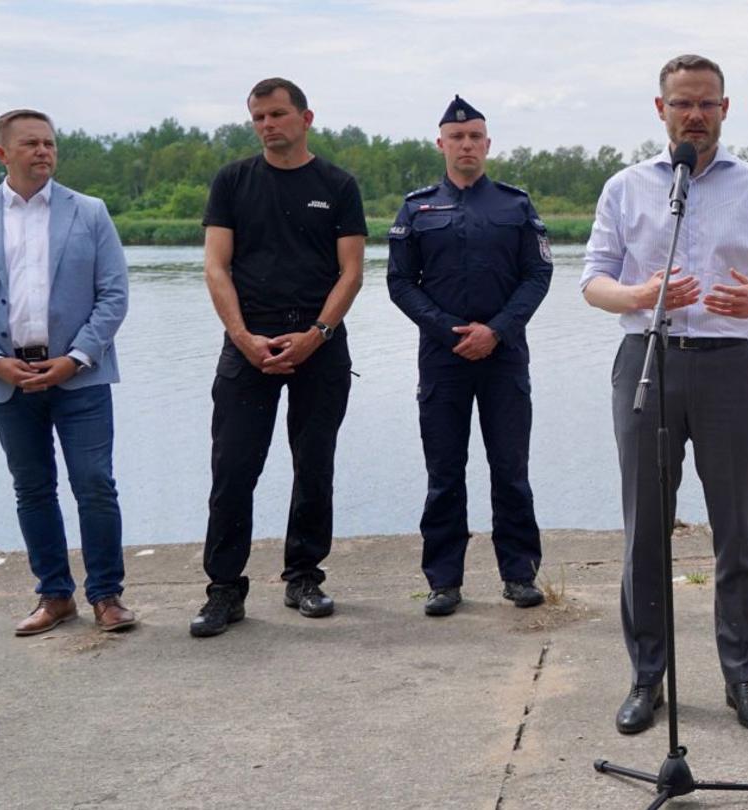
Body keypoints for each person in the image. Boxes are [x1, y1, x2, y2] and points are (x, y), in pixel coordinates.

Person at [581, 54, 748, 733]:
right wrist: (640, 294)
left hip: (730, 368)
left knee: (735, 530)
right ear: (660, 109)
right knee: (645, 531)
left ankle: (743, 678)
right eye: (682, 104)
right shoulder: (626, 187)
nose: (695, 115)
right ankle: (648, 678)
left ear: (726, 108)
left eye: (707, 103)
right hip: (646, 363)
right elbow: (593, 281)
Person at [0, 109, 135, 635]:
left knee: (95, 484)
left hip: (81, 374)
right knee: (32, 488)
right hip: (5, 378)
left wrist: (75, 357)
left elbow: (114, 295)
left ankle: (107, 596)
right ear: (1, 154)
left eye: (49, 143)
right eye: (30, 143)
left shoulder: (90, 212)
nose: (43, 151)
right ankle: (55, 596)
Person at [193, 77, 367, 637]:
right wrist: (243, 337)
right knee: (233, 469)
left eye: (276, 115)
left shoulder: (337, 185)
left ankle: (304, 577)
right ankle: (224, 590)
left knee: (313, 466)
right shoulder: (233, 181)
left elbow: (352, 272)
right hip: (248, 346)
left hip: (318, 345)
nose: (267, 125)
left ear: (305, 117)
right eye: (258, 118)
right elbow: (216, 267)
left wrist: (318, 331)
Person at [387, 96, 553, 618]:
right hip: (443, 359)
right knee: (444, 472)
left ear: (487, 144)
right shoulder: (417, 208)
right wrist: (448, 330)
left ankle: (519, 574)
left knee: (510, 470)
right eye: (456, 137)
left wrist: (497, 330)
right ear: (441, 144)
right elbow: (399, 282)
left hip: (504, 358)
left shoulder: (515, 205)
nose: (466, 145)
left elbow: (538, 275)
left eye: (475, 136)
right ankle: (443, 581)